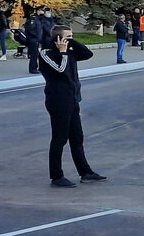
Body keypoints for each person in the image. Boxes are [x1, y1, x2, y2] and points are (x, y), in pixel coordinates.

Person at [39, 25, 104, 187]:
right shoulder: (46, 54)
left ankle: (86, 172)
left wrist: (72, 42)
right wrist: (62, 52)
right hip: (58, 101)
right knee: (59, 138)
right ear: (57, 39)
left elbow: (88, 53)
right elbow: (60, 69)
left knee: (77, 138)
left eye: (71, 36)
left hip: (73, 99)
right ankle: (56, 176)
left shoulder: (71, 52)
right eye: (67, 37)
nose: (70, 40)